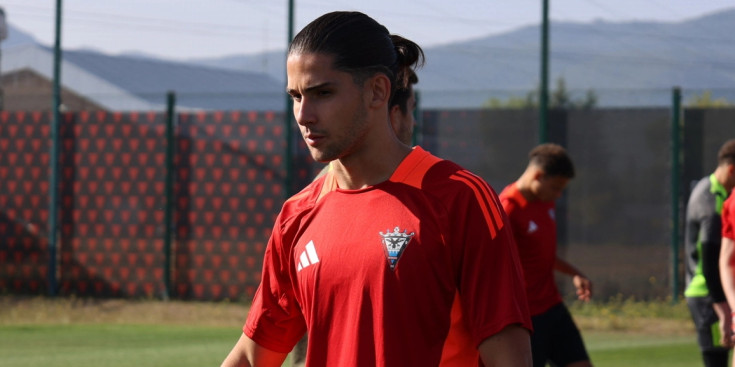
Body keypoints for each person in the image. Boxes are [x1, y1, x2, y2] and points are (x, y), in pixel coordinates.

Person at [221, 11, 532, 367]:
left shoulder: (459, 198)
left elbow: (509, 358)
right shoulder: (297, 215)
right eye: (295, 96)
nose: (304, 114)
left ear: (377, 91)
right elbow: (252, 354)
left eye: (322, 93)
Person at [498, 143, 593, 367]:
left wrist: (575, 273)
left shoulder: (545, 202)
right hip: (526, 318)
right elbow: (495, 267)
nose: (558, 195)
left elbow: (541, 255)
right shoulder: (507, 209)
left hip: (552, 306)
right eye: (556, 187)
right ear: (538, 175)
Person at [687, 139, 735, 366]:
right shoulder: (710, 200)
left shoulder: (710, 188)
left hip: (714, 292)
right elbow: (709, 259)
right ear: (732, 169)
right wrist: (724, 309)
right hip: (708, 293)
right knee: (716, 361)